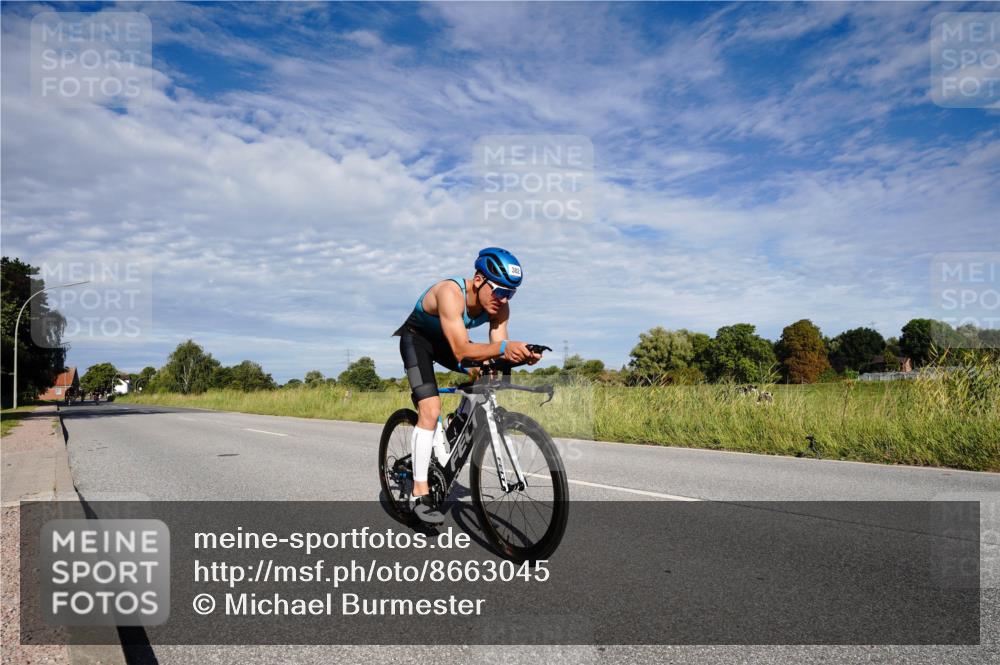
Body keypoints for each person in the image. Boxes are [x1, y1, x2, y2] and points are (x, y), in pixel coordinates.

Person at [393, 247, 540, 524]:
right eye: (499, 291)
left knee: (487, 372)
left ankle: (455, 424)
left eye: (511, 294)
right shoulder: (450, 293)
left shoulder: (500, 306)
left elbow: (498, 349)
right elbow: (462, 351)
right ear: (478, 279)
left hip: (449, 341)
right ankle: (420, 493)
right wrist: (505, 348)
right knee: (430, 409)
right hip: (418, 341)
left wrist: (520, 357)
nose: (503, 299)